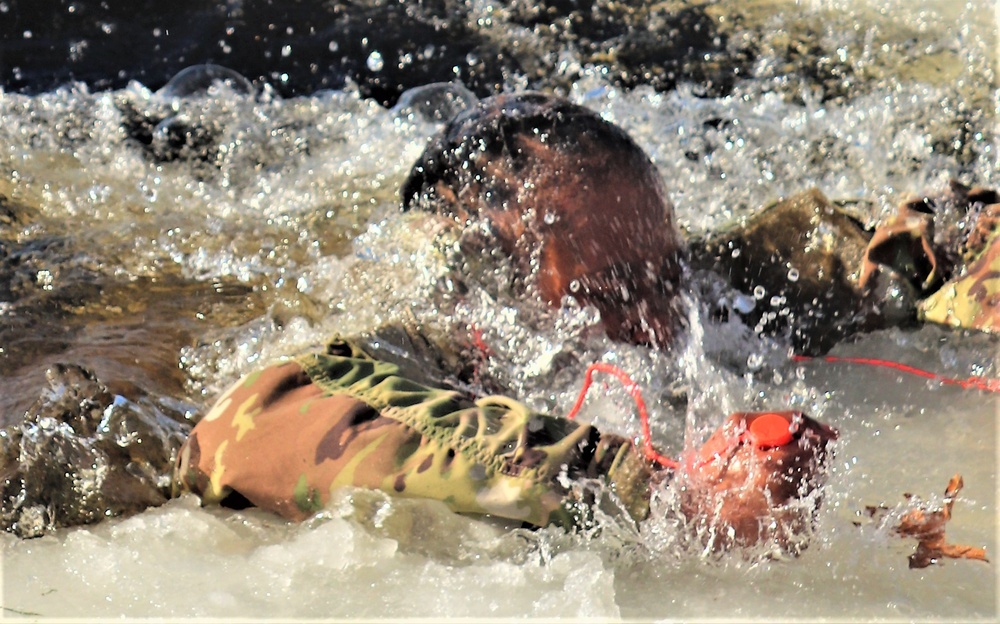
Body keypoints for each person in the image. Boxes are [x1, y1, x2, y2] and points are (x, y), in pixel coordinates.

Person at [173, 93, 840, 550]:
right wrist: (667, 498)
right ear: (476, 294)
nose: (662, 325)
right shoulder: (412, 327)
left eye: (670, 278)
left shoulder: (683, 302)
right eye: (611, 293)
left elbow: (823, 257)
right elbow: (259, 417)